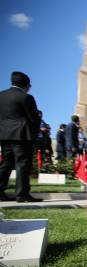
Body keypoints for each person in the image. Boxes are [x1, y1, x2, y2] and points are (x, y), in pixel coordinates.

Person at [0, 71, 42, 202]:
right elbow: (33, 118)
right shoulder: (26, 98)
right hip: (21, 135)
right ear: (26, 85)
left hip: (4, 134)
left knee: (6, 163)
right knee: (22, 164)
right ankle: (22, 194)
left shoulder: (1, 96)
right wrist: (34, 134)